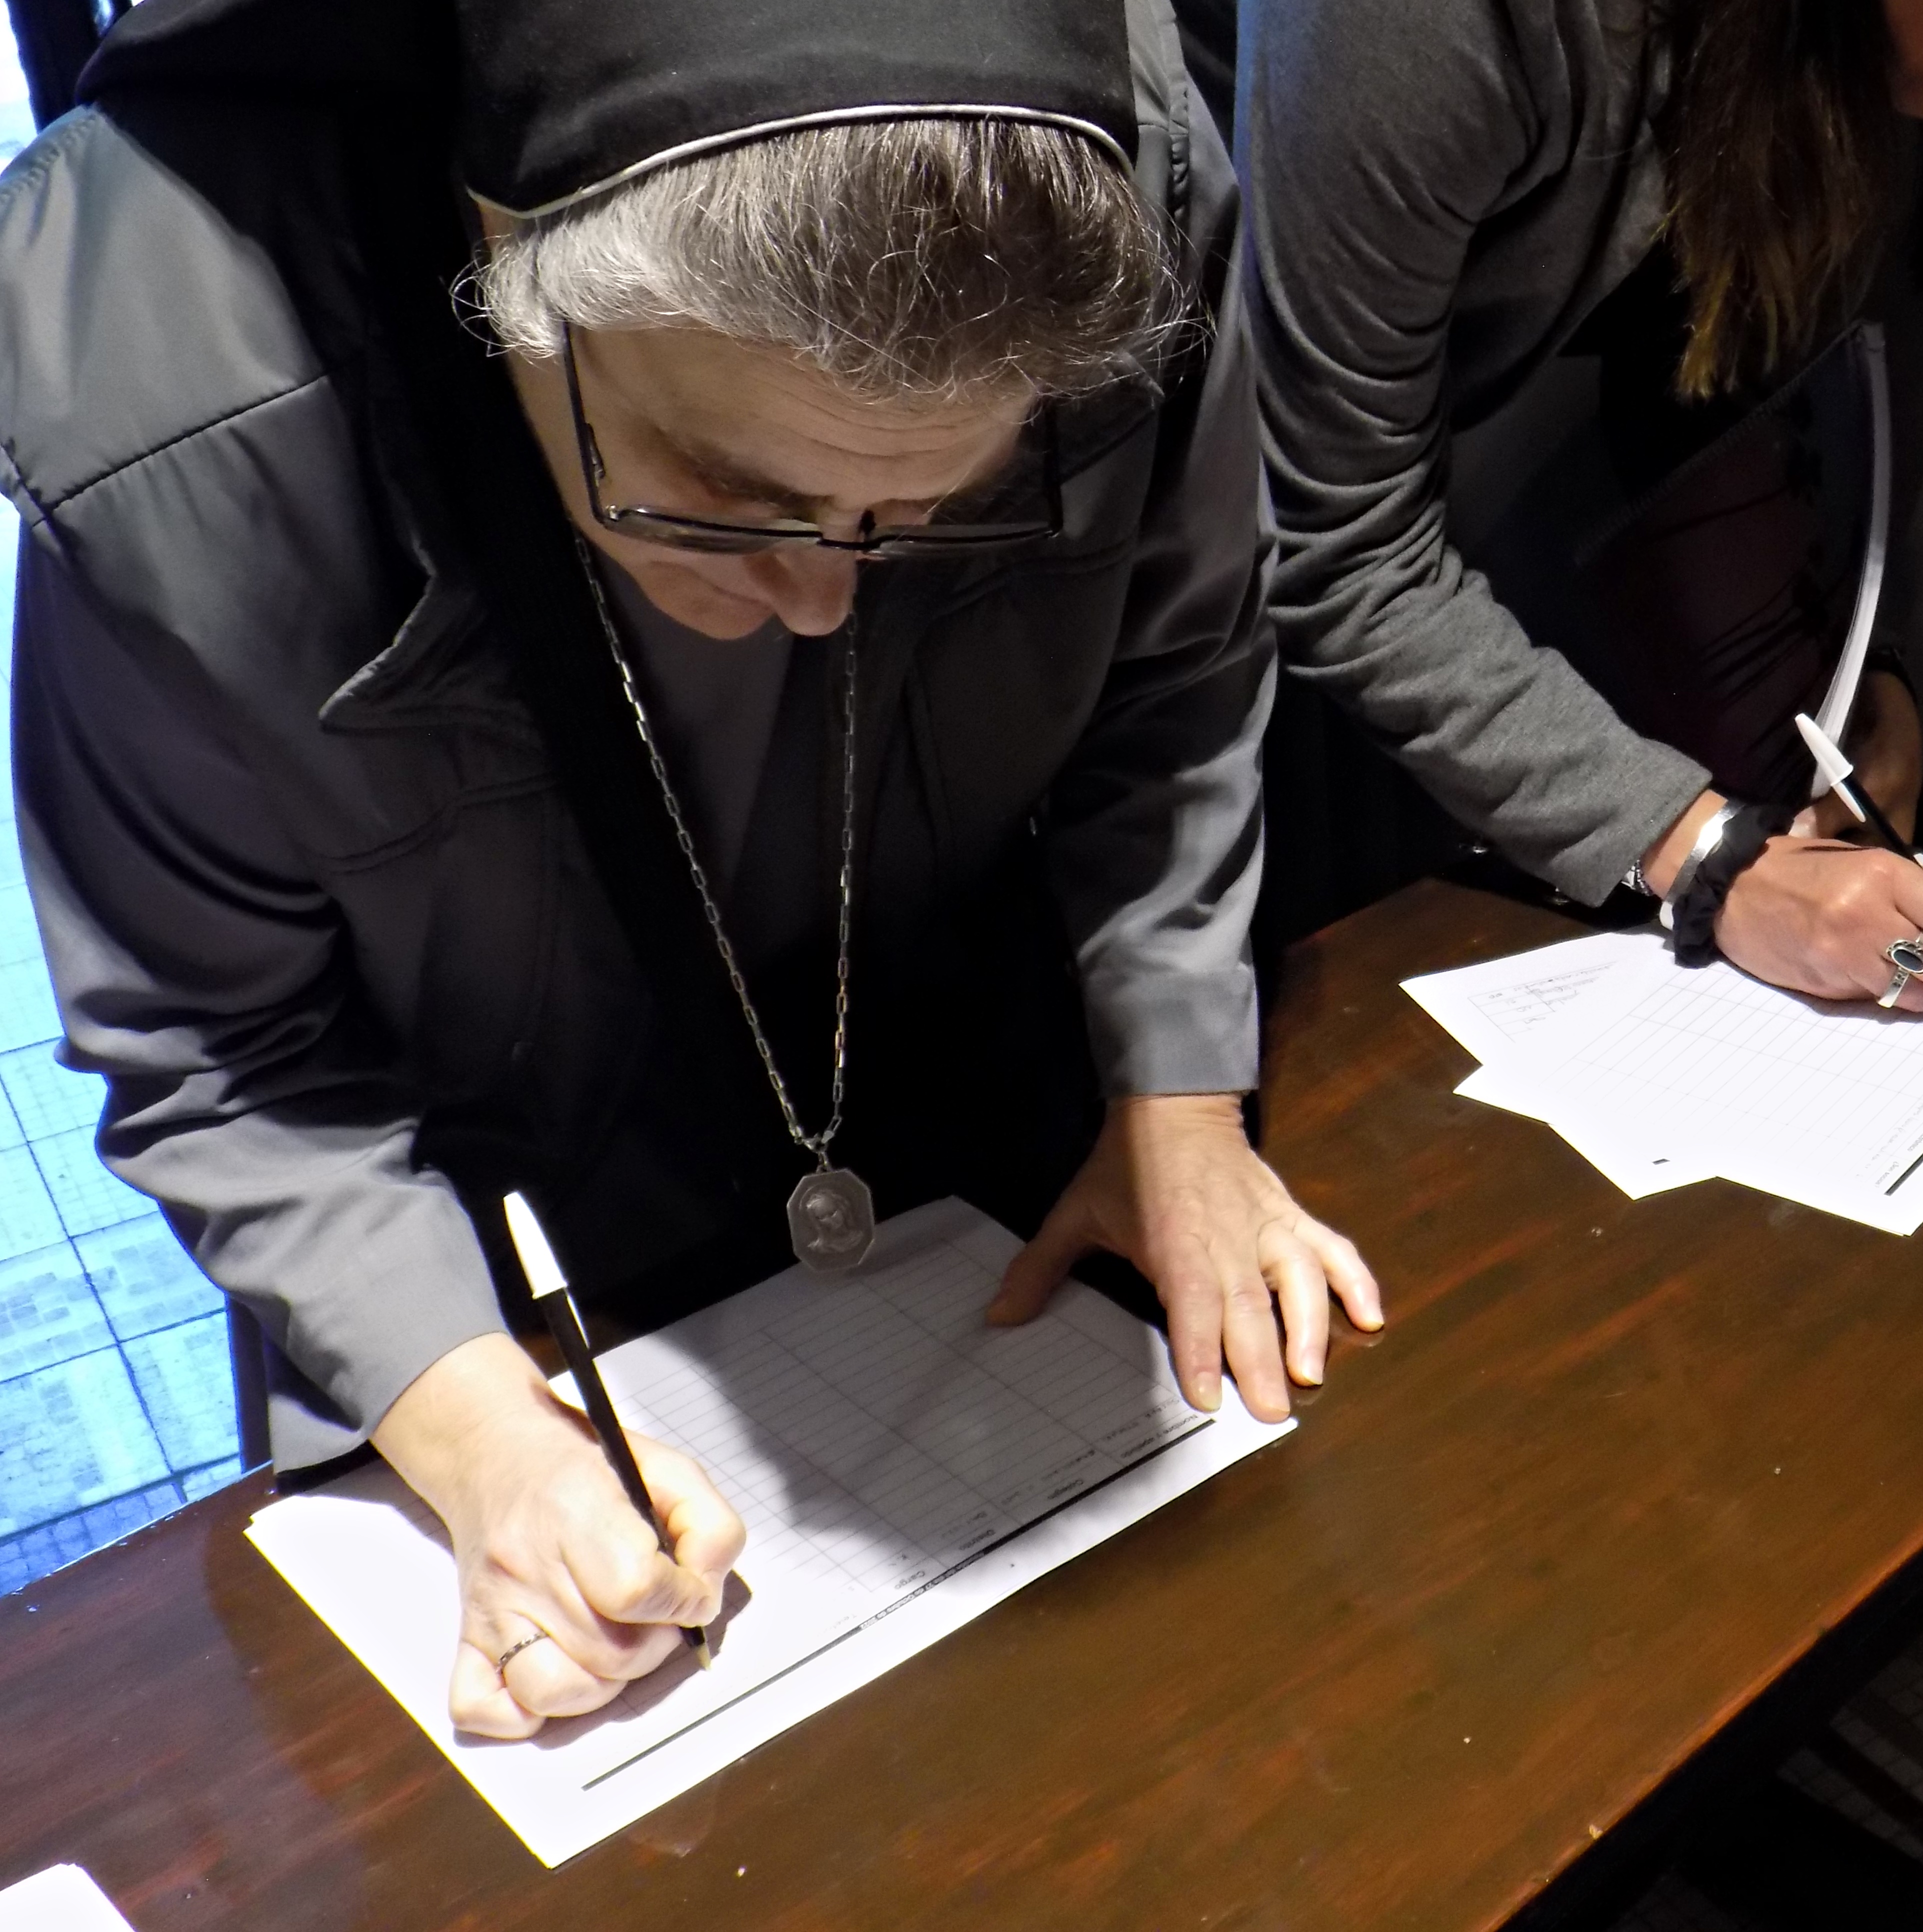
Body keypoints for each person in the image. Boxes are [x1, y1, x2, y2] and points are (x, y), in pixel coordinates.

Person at [0, 0, 1378, 1738]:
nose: (823, 600)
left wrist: (1178, 1094)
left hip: (965, 1087)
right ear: (500, 254)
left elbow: (1176, 670)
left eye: (937, 509)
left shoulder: (1117, 184)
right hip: (487, 1223)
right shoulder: (178, 425)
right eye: (722, 492)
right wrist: (477, 1431)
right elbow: (221, 1050)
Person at [1235, 0, 1923, 1004]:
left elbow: (1742, 388)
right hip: (1256, 716)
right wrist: (1709, 859)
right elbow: (1334, 537)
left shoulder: (1875, 56)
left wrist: (1865, 675)